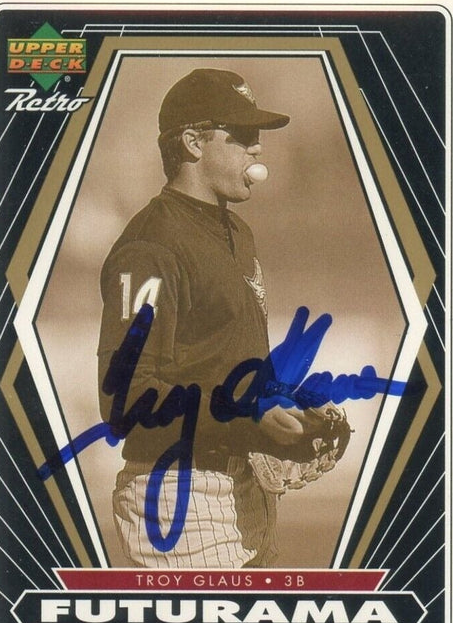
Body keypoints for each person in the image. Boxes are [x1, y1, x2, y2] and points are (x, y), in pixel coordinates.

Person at [97, 67, 308, 567]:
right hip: (178, 494)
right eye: (242, 135)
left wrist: (280, 417)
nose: (257, 148)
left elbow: (223, 365)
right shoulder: (151, 246)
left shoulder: (236, 232)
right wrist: (247, 415)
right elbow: (125, 398)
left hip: (244, 489)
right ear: (193, 143)